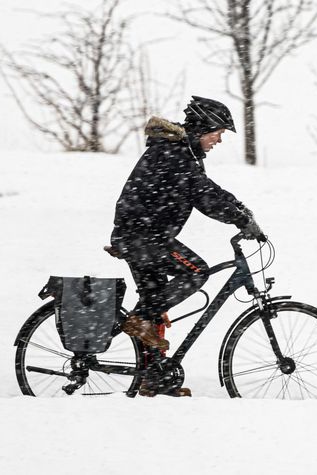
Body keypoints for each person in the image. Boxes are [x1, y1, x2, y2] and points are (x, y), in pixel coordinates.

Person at [110, 96, 265, 397]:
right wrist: (240, 219)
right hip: (144, 237)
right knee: (196, 272)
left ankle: (154, 378)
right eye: (217, 132)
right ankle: (139, 320)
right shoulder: (174, 154)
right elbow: (204, 196)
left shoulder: (182, 154)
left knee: (155, 303)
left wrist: (241, 210)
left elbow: (209, 190)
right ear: (201, 128)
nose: (219, 140)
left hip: (143, 236)